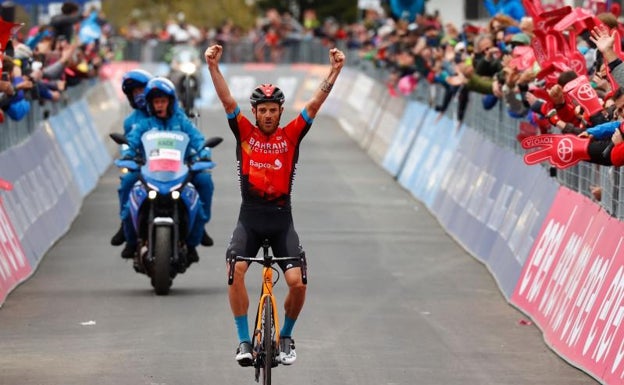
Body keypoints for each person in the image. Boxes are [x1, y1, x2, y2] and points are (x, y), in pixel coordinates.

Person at [204, 43, 345, 366]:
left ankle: (286, 336)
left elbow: (315, 103)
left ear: (281, 112)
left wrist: (334, 71)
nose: (267, 115)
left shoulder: (291, 136)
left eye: (273, 110)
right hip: (249, 221)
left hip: (282, 221)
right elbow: (227, 100)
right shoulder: (244, 133)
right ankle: (243, 341)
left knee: (298, 283)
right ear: (254, 112)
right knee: (235, 271)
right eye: (262, 110)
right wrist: (213, 67)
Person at [120, 77, 215, 263]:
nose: (160, 105)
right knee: (128, 185)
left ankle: (196, 236)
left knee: (205, 181)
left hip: (182, 170)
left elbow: (197, 139)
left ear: (171, 102)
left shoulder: (182, 121)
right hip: (150, 172)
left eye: (163, 101)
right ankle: (130, 239)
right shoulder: (144, 124)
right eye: (156, 102)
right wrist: (128, 154)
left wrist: (204, 152)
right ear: (150, 104)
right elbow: (132, 141)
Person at [110, 68, 153, 248]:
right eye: (134, 92)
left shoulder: (167, 111)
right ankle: (127, 229)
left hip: (170, 166)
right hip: (141, 167)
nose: (139, 95)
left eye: (141, 89)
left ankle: (195, 231)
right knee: (127, 182)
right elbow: (126, 143)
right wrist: (127, 156)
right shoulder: (130, 121)